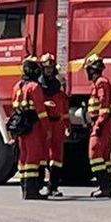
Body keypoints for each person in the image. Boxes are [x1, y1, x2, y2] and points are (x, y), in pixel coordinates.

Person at [11, 63, 47, 200]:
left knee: (23, 159)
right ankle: (32, 191)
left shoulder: (17, 87)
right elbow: (41, 111)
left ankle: (25, 189)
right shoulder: (34, 87)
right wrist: (47, 129)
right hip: (33, 127)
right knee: (33, 158)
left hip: (21, 127)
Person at [84, 54, 111, 197]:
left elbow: (104, 107)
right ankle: (106, 187)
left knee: (95, 154)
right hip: (103, 124)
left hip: (101, 124)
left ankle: (104, 186)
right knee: (104, 158)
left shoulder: (101, 83)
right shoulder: (99, 82)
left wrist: (98, 124)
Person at [41, 55, 70, 198]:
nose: (49, 70)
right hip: (44, 123)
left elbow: (63, 107)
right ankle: (39, 185)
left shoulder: (57, 87)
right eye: (46, 67)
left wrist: (66, 124)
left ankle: (53, 186)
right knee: (43, 155)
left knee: (57, 156)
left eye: (51, 67)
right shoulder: (38, 86)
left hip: (57, 123)